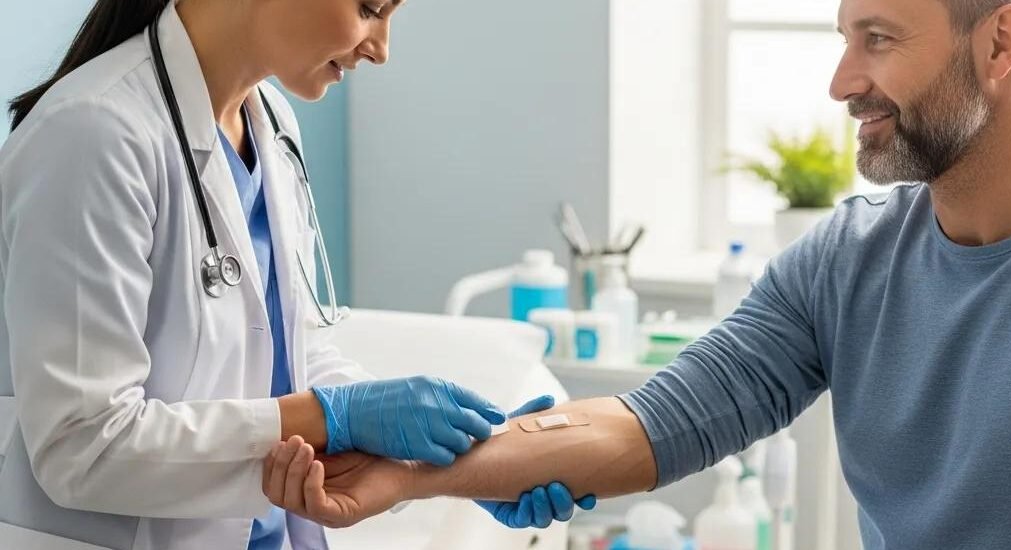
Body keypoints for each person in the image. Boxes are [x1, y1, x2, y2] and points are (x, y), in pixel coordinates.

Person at [265, 1, 1011, 548]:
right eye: (844, 38)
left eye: (879, 39)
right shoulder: (846, 264)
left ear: (1000, 43)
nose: (841, 81)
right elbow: (650, 424)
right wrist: (410, 476)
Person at [0, 1, 590, 549]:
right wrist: (335, 415)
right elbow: (81, 448)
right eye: (369, 9)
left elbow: (291, 352)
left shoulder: (270, 122)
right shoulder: (92, 134)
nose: (380, 47)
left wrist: (446, 461)